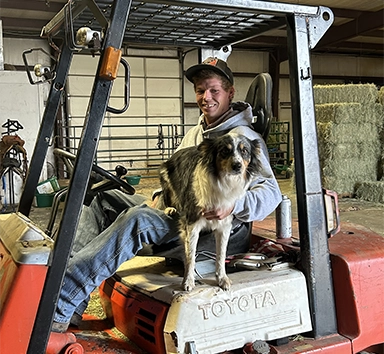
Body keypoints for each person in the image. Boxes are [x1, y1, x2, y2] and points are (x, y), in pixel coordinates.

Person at [52, 57, 282, 332]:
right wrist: (159, 194)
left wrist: (233, 206)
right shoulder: (197, 132)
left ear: (230, 93)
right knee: (102, 199)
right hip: (179, 209)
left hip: (212, 226)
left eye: (213, 90)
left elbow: (271, 191)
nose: (205, 97)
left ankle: (57, 303)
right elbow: (175, 171)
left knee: (138, 220)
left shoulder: (243, 138)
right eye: (200, 91)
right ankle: (71, 302)